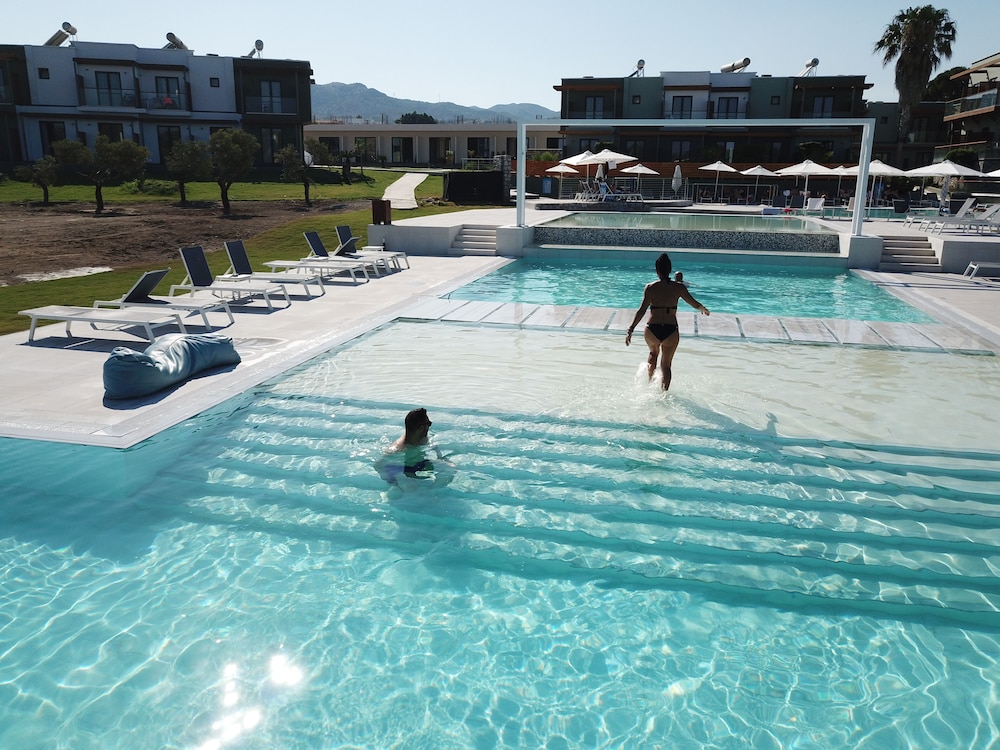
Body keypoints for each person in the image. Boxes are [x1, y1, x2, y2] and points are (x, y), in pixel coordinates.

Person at [625, 253, 710, 391]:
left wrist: (631, 329)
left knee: (653, 354)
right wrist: (703, 309)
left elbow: (641, 310)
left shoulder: (650, 287)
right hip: (670, 330)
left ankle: (648, 386)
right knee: (666, 365)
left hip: (652, 329)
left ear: (656, 270)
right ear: (670, 270)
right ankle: (664, 394)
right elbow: (693, 303)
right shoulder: (679, 287)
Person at [374, 407, 452, 488]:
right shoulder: (397, 449)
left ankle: (433, 490)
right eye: (429, 424)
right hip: (400, 469)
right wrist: (393, 481)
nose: (429, 427)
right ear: (421, 428)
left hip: (418, 464)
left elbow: (433, 447)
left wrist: (439, 456)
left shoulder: (423, 438)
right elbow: (378, 465)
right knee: (410, 486)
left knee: (450, 468)